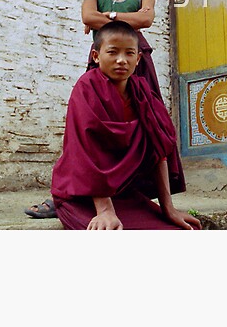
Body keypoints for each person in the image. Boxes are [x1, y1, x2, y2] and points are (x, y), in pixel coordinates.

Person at [25, 0, 160, 218]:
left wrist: (105, 17)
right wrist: (121, 18)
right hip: (103, 60)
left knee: (145, 125)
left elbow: (146, 20)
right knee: (88, 126)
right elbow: (87, 15)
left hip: (137, 62)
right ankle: (64, 193)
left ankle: (133, 192)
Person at [51, 21, 201, 230]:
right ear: (96, 56)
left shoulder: (144, 94)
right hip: (82, 196)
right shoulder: (86, 89)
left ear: (138, 58)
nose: (121, 60)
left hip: (123, 194)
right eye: (112, 52)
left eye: (129, 53)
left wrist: (168, 208)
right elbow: (86, 150)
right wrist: (104, 210)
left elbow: (159, 150)